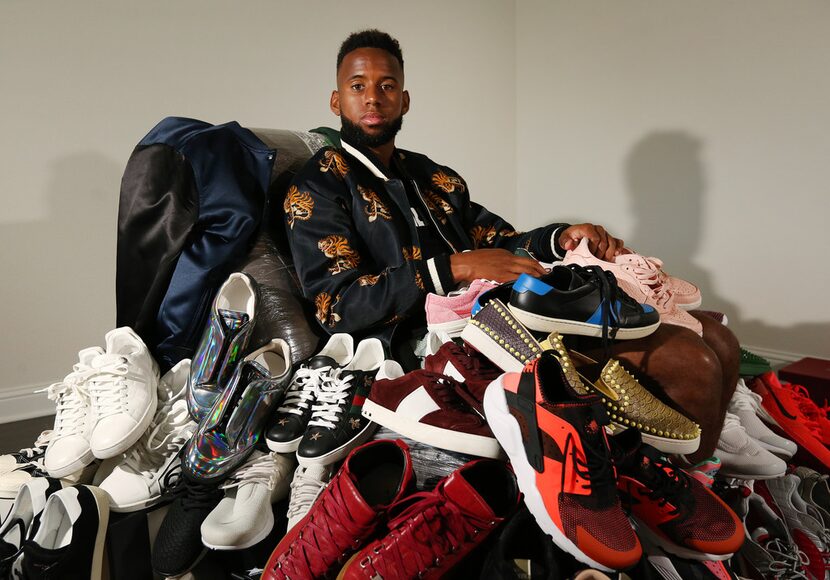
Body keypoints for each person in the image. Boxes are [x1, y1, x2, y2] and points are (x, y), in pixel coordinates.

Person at [283, 29, 738, 462]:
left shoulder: (432, 176)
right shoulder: (318, 189)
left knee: (719, 337)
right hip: (426, 343)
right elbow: (337, 306)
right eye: (357, 85)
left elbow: (500, 243)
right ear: (335, 99)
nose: (372, 97)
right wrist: (454, 267)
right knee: (689, 360)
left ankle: (706, 472)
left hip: (504, 312)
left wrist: (561, 238)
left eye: (386, 85)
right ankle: (680, 495)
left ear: (404, 100)